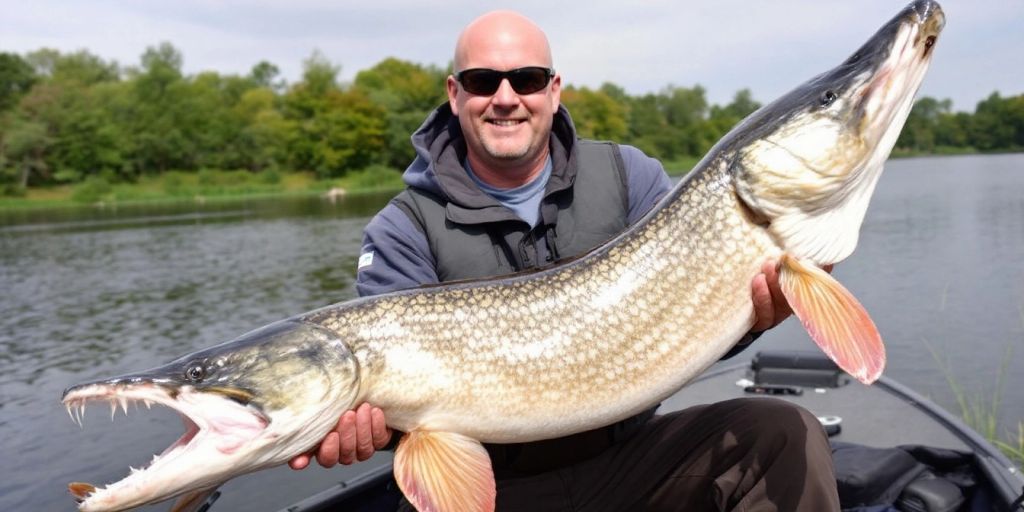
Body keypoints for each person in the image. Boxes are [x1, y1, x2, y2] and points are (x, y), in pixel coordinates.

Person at [290, 10, 840, 511]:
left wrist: (752, 319)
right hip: (500, 487)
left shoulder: (631, 177)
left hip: (632, 458)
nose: (506, 98)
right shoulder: (402, 229)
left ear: (553, 91)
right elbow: (394, 407)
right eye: (484, 82)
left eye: (526, 79)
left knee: (784, 433)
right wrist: (373, 432)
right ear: (455, 94)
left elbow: (685, 322)